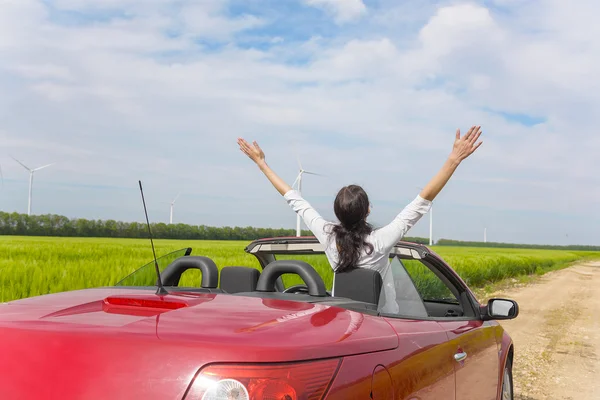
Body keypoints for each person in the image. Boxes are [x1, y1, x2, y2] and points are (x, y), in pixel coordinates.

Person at [237, 126, 483, 313]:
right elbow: (421, 202)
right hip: (384, 323)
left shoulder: (328, 235)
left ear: (337, 214)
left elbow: (294, 199)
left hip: (342, 320)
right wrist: (454, 159)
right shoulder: (381, 241)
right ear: (367, 211)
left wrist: (261, 163)